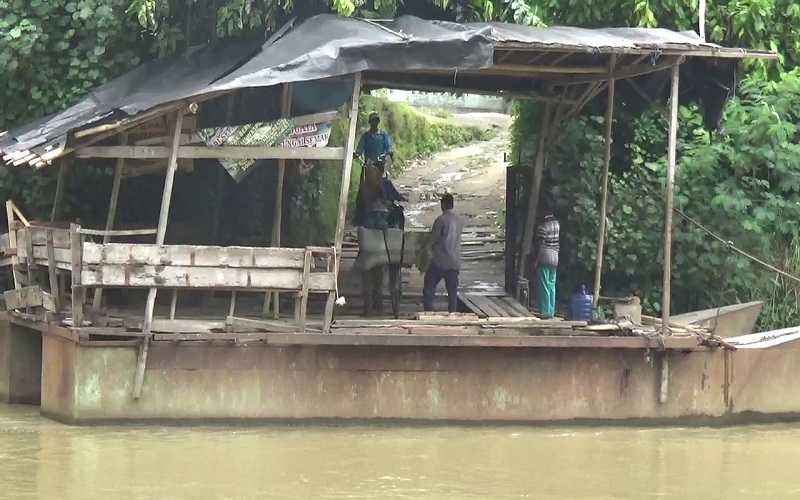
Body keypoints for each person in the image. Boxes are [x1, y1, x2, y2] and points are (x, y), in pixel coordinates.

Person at [354, 112, 403, 226]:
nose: (374, 123)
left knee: (384, 186)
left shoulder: (383, 136)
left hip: (379, 165)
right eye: (373, 121)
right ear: (370, 122)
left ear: (378, 122)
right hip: (368, 166)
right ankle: (359, 216)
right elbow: (359, 149)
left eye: (376, 121)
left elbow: (389, 147)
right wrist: (356, 154)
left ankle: (386, 206)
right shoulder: (366, 136)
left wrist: (389, 152)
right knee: (362, 191)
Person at [423, 193, 463, 313]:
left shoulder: (441, 220)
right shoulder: (458, 220)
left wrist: (425, 250)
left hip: (440, 261)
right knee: (452, 291)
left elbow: (432, 239)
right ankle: (453, 313)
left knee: (429, 285)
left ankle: (429, 312)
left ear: (443, 204)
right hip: (454, 261)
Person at [533, 198, 560, 318]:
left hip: (545, 256)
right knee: (552, 285)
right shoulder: (556, 222)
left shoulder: (543, 225)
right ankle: (552, 311)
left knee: (544, 286)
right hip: (555, 256)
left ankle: (545, 312)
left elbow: (540, 244)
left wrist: (536, 261)